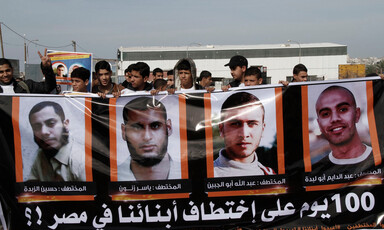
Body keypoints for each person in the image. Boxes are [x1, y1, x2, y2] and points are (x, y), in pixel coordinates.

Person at [312, 86, 375, 175]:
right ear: (319, 124)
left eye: (343, 109)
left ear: (357, 115)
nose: (335, 119)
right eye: (326, 114)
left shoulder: (379, 160)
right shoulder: (315, 173)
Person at [214, 92, 275, 177]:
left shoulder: (272, 176)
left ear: (263, 129)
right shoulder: (206, 176)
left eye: (252, 123)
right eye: (235, 124)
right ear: (221, 129)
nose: (244, 134)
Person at [118, 97, 179, 181]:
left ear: (168, 128)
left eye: (155, 126)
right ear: (124, 132)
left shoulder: (187, 173)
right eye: (136, 128)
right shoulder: (112, 176)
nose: (147, 137)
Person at [27, 101, 86, 181]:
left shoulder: (80, 160)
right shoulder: (40, 155)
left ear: (65, 124)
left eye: (51, 123)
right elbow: (30, 189)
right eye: (37, 127)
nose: (44, 132)